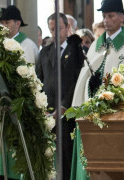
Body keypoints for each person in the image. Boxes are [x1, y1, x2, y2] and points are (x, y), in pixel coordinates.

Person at [36, 13, 86, 175]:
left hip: (67, 114)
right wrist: (41, 107)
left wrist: (64, 106)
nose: (56, 33)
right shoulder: (45, 52)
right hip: (47, 112)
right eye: (52, 30)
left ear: (67, 28)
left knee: (65, 157)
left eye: (59, 28)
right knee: (48, 159)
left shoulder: (76, 51)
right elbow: (38, 81)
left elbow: (77, 81)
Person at [72, 0, 124, 106]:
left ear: (121, 18)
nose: (106, 20)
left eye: (110, 16)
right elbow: (85, 74)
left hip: (118, 106)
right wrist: (90, 84)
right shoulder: (96, 44)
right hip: (93, 104)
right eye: (104, 16)